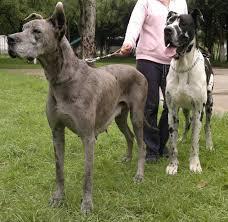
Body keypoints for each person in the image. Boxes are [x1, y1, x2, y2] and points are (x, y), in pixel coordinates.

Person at [121, 0, 188, 163]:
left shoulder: (180, 2)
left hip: (174, 60)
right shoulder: (145, 2)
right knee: (149, 105)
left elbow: (185, 28)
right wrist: (129, 41)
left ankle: (161, 144)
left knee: (171, 106)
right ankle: (151, 148)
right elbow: (135, 23)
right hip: (148, 59)